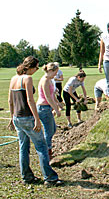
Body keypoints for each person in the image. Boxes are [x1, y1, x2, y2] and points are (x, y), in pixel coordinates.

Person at [7, 56, 62, 186]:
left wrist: (11, 117)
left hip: (17, 118)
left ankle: (26, 177)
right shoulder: (27, 79)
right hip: (28, 117)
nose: (37, 70)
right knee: (42, 146)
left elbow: (10, 101)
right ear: (31, 67)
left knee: (23, 147)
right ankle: (50, 178)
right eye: (36, 67)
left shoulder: (14, 79)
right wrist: (37, 119)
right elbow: (30, 100)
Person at [37, 63, 61, 160]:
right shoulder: (45, 81)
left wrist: (58, 103)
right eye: (55, 72)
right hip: (43, 108)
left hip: (47, 107)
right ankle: (47, 151)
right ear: (50, 70)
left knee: (53, 129)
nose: (56, 74)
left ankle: (46, 148)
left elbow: (52, 95)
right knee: (49, 131)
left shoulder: (49, 80)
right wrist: (56, 109)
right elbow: (47, 97)